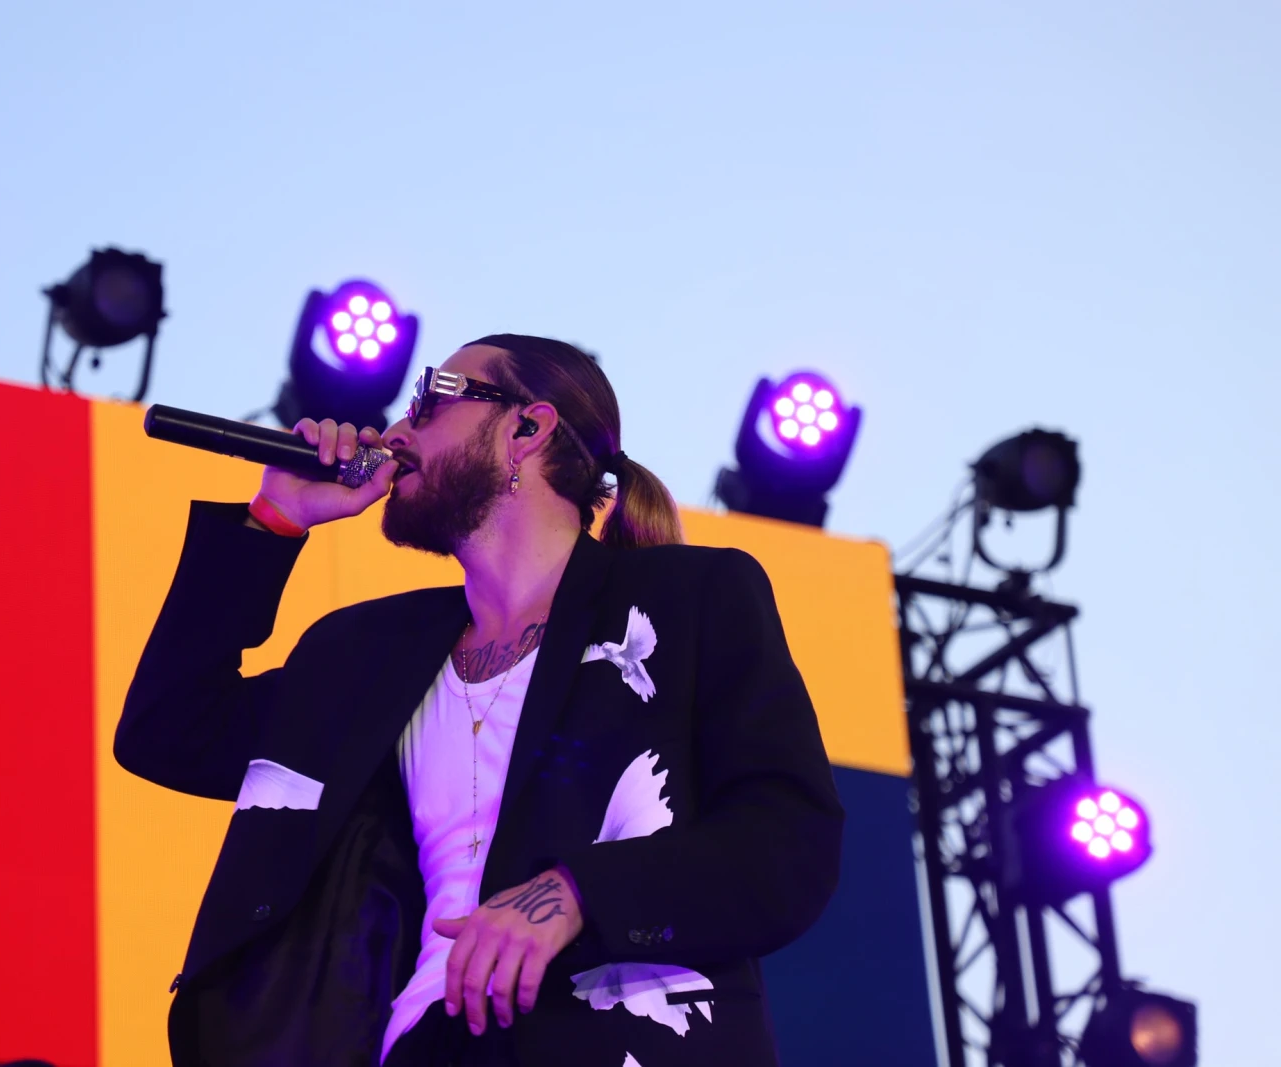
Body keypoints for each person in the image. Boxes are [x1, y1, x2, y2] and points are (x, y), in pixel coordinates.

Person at [115, 335, 844, 1067]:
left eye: (431, 399)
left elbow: (788, 843)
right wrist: (274, 518)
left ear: (527, 428)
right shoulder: (367, 651)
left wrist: (576, 895)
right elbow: (171, 730)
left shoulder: (690, 599)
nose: (396, 431)